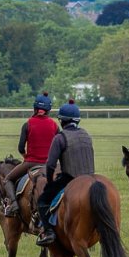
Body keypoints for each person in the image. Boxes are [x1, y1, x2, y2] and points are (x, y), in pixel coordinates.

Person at [35, 100, 95, 247]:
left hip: (70, 178)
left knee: (42, 201)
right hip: (91, 177)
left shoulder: (60, 138)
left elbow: (50, 165)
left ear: (62, 120)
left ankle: (48, 232)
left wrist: (50, 182)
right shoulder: (86, 135)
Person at [3, 93, 58, 217]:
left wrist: (26, 157)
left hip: (31, 162)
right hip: (50, 164)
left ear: (35, 108)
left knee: (7, 179)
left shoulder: (27, 124)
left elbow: (21, 147)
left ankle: (14, 205)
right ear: (48, 110)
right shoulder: (55, 125)